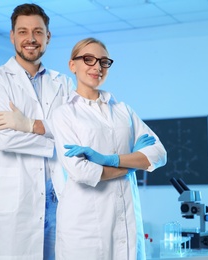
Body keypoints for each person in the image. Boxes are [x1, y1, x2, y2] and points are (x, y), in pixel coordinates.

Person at [50, 37, 167, 260]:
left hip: (126, 225)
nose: (97, 67)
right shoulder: (64, 114)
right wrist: (132, 164)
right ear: (72, 65)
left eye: (104, 62)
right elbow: (82, 172)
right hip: (85, 230)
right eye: (88, 59)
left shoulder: (123, 110)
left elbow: (159, 154)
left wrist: (109, 160)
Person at [0, 3, 74, 260]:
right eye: (22, 32)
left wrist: (28, 125)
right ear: (12, 36)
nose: (30, 39)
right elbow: (4, 138)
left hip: (59, 198)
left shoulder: (63, 82)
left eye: (37, 32)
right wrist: (56, 140)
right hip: (17, 200)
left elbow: (74, 132)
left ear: (48, 37)